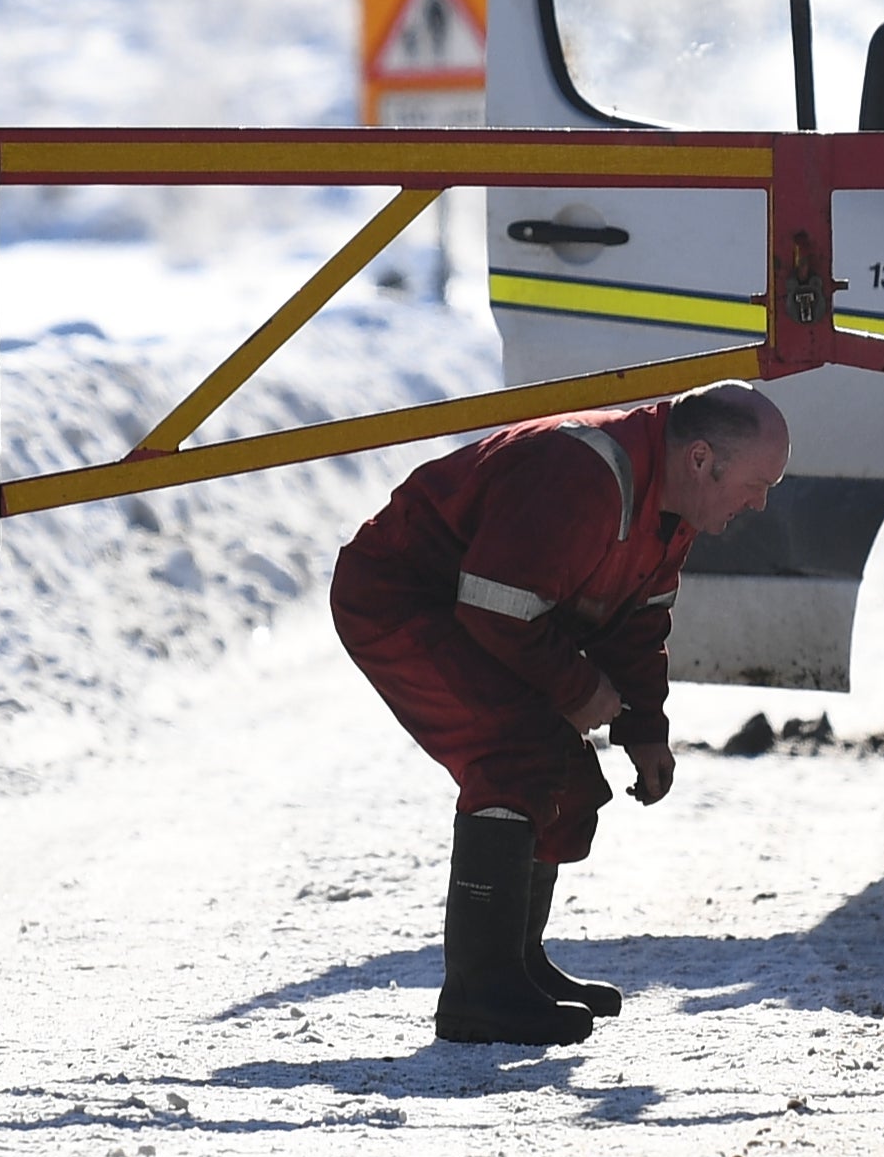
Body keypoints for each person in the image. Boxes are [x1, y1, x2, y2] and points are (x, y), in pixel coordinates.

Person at [332, 379, 791, 1046]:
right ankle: (479, 994)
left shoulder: (672, 505)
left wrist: (644, 730)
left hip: (478, 610)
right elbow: (496, 607)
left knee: (567, 782)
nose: (760, 502)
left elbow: (638, 625)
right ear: (700, 459)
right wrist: (579, 690)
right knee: (516, 754)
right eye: (757, 483)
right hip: (401, 598)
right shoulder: (583, 472)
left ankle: (517, 968)